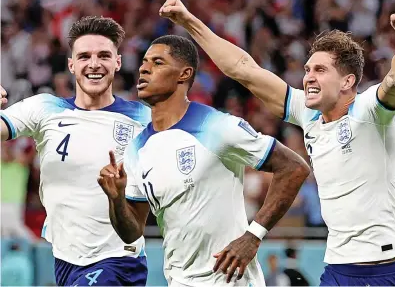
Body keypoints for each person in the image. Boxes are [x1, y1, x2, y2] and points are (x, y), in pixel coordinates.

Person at [159, 0, 395, 286]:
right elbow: (242, 68)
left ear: (347, 81)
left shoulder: (372, 112)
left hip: (384, 271)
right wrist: (188, 21)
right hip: (336, 268)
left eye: (320, 70)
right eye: (307, 69)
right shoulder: (307, 113)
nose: (308, 77)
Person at [97, 35, 310, 286]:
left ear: (184, 74)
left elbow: (294, 167)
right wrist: (116, 199)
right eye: (144, 62)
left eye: (157, 62)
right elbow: (132, 233)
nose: (144, 68)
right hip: (179, 281)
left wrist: (253, 236)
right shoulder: (137, 149)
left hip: (230, 281)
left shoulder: (217, 126)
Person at [0, 16, 151, 286]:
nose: (94, 64)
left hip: (117, 259)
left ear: (117, 62)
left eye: (104, 55)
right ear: (71, 64)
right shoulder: (44, 108)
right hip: (66, 260)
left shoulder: (143, 119)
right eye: (84, 57)